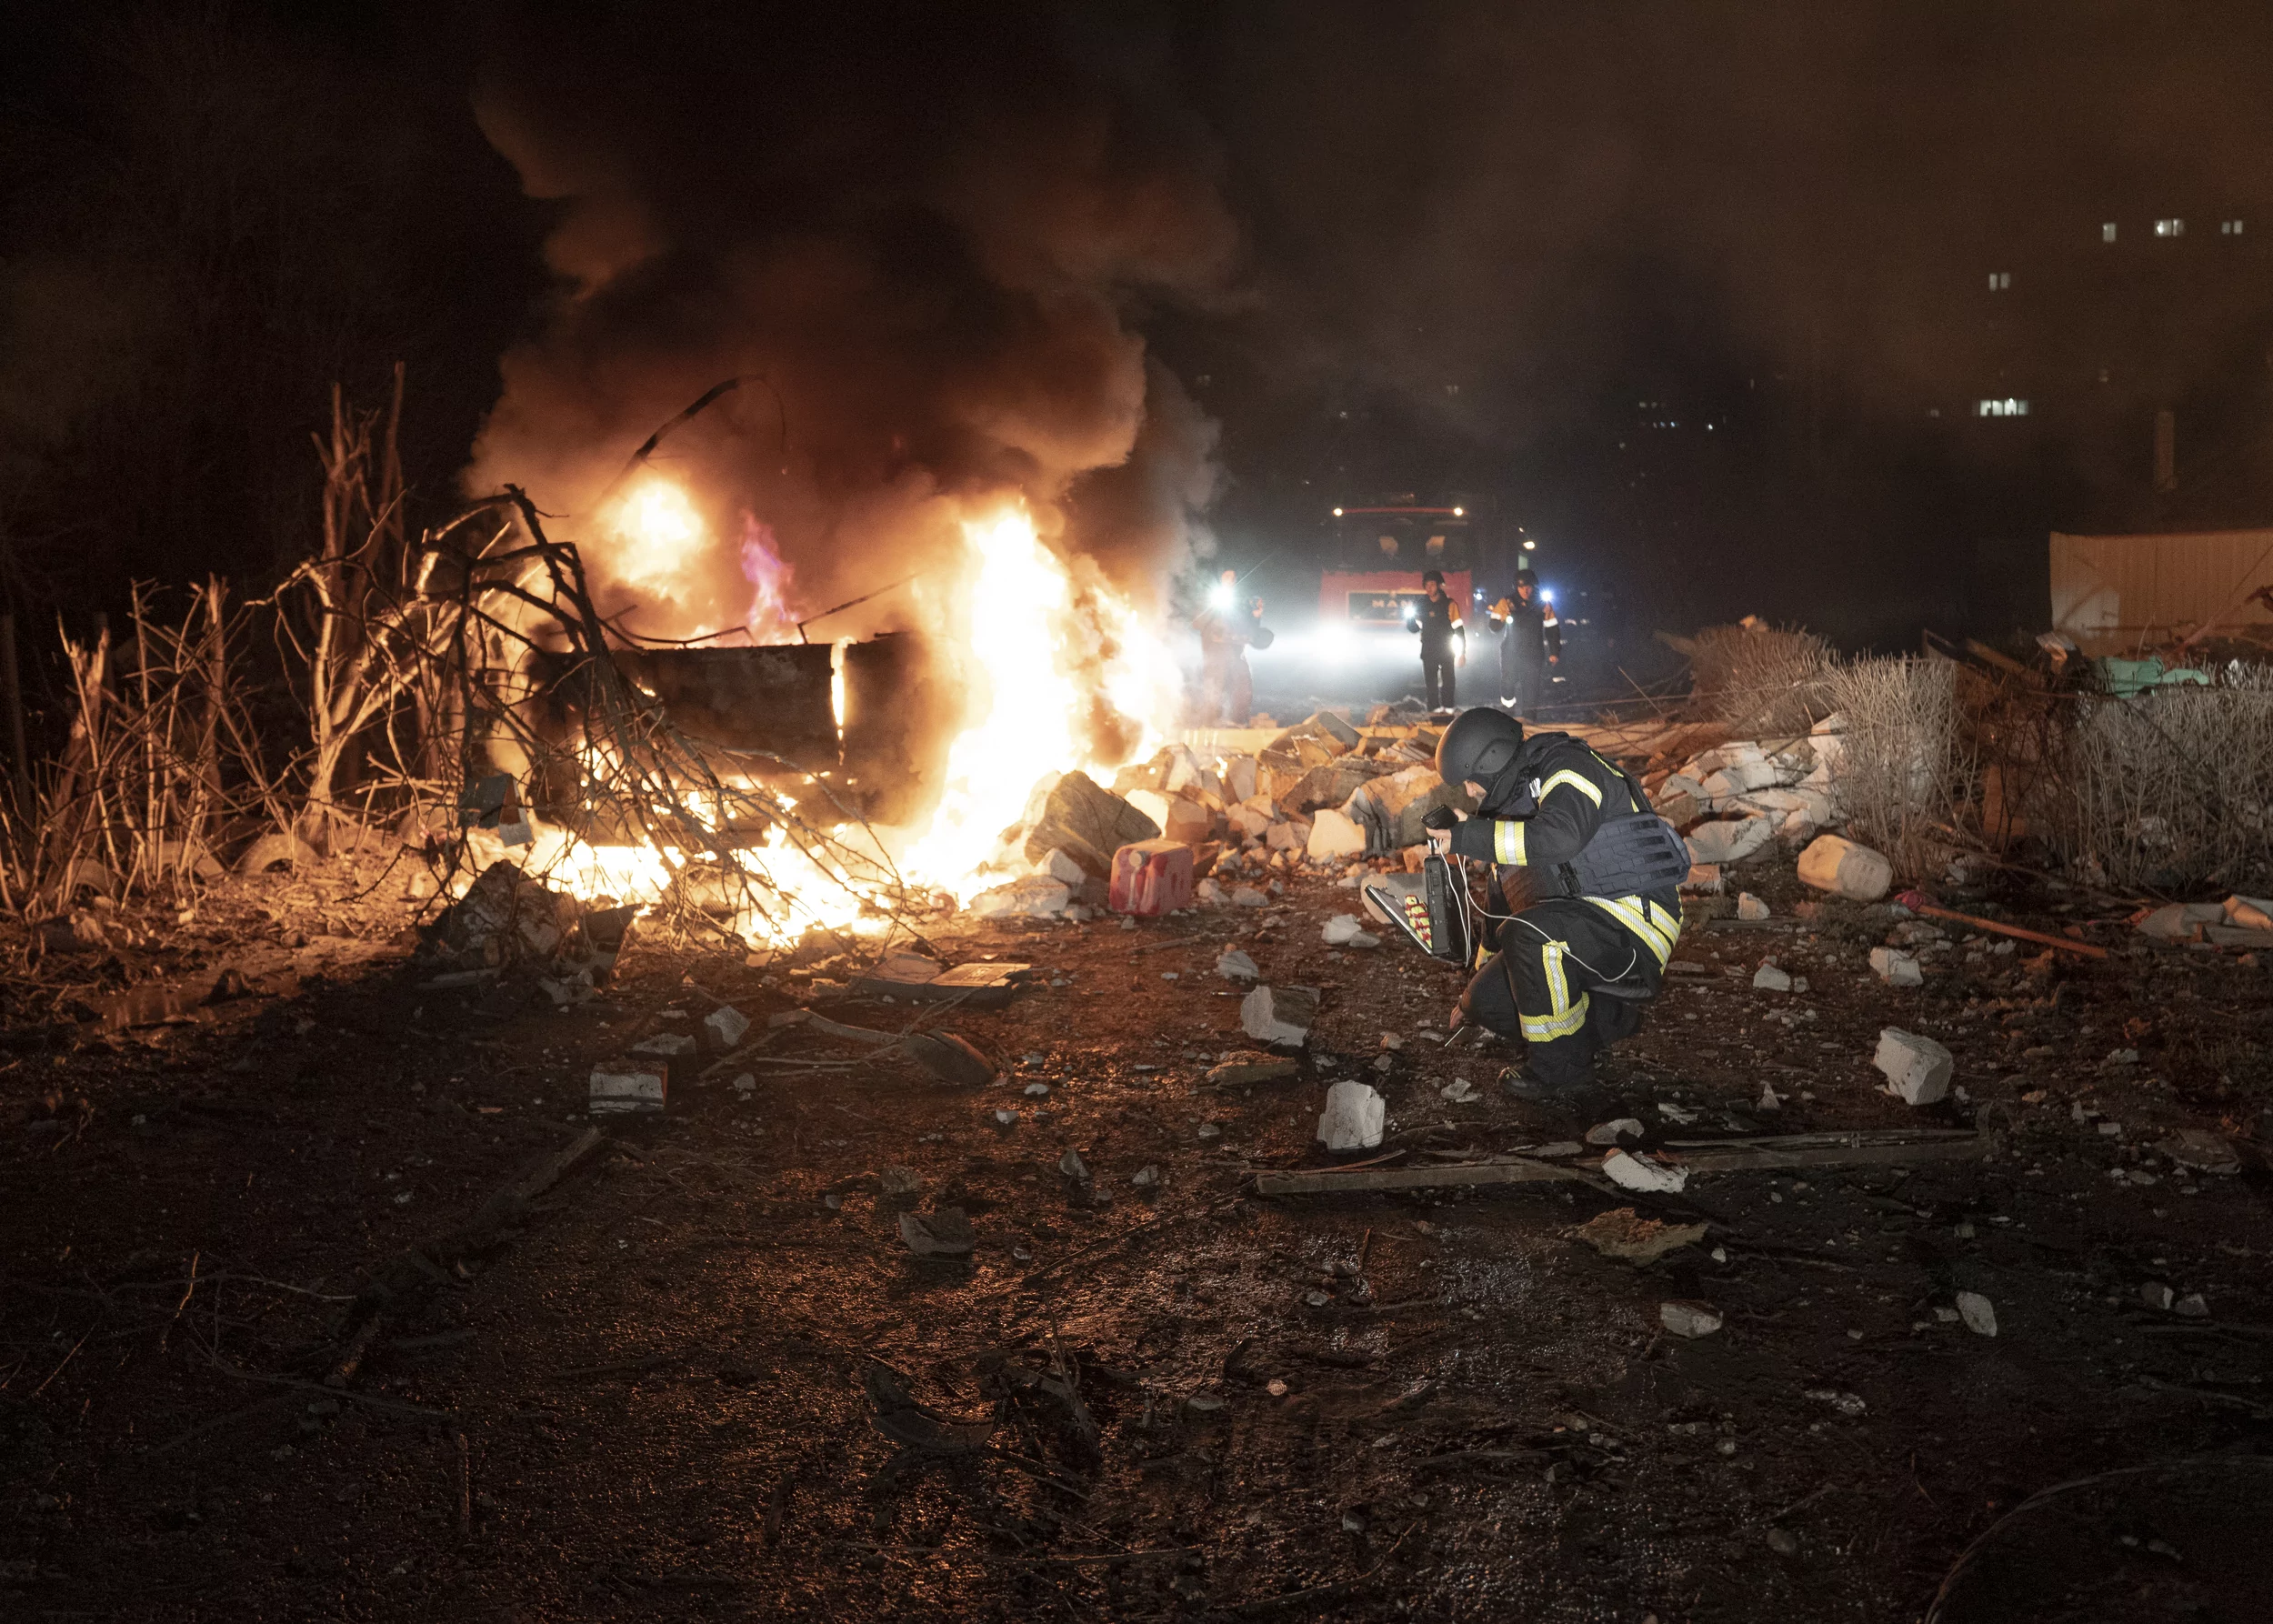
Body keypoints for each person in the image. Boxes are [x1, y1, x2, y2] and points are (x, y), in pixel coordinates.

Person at [1425, 707, 1691, 1108]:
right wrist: (1470, 995)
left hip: (1634, 921)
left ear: (1490, 761)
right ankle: (1609, 1016)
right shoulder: (1509, 812)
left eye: (1470, 780)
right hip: (1576, 926)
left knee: (1532, 935)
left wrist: (1467, 836)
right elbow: (1499, 911)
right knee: (1487, 1001)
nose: (1471, 791)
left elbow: (1561, 837)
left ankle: (1564, 1071)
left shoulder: (1568, 765)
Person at [1192, 568, 1268, 725]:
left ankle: (1239, 722)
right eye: (1227, 576)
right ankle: (1210, 723)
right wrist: (1214, 607)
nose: (1230, 580)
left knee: (1243, 686)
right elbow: (1197, 623)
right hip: (1216, 649)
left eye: (1233, 577)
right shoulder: (1208, 598)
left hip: (1237, 649)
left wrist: (1256, 616)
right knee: (1214, 687)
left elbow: (1250, 630)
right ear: (1220, 578)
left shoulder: (1241, 602)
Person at [1485, 569, 1560, 718]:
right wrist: (1503, 617)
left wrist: (1554, 652)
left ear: (1533, 587)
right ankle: (1507, 717)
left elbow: (1552, 629)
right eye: (1522, 587)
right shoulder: (1506, 602)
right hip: (1511, 653)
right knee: (1508, 685)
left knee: (1531, 691)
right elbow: (1493, 627)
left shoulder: (1543, 605)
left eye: (1529, 587)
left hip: (1533, 653)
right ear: (1516, 587)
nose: (1526, 591)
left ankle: (1529, 723)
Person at [1408, 569, 1465, 714]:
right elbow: (1414, 628)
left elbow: (1459, 630)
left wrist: (1462, 653)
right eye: (1426, 585)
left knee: (1449, 680)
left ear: (1439, 585)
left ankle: (1448, 709)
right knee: (1431, 683)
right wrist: (1410, 618)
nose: (1429, 588)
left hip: (1446, 649)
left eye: (1432, 585)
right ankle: (1433, 710)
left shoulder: (1450, 604)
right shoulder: (1421, 605)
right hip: (1428, 648)